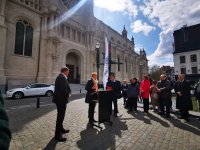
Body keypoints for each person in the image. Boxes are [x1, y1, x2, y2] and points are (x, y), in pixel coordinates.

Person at [53, 66, 71, 142]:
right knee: (60, 117)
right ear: (65, 71)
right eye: (68, 71)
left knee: (61, 115)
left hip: (61, 100)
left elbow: (65, 88)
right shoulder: (61, 77)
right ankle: (57, 135)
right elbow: (63, 89)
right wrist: (68, 94)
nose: (68, 73)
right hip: (61, 100)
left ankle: (61, 129)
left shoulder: (62, 77)